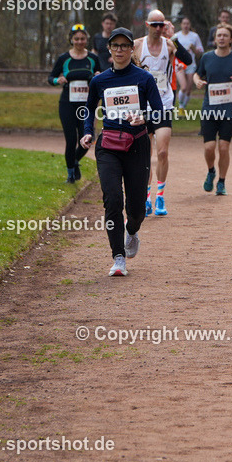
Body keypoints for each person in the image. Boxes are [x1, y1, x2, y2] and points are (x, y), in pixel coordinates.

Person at [80, 27, 165, 277]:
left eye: (124, 46)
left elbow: (159, 112)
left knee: (136, 208)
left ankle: (133, 229)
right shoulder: (99, 81)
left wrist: (144, 118)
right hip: (108, 146)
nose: (119, 50)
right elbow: (88, 110)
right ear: (109, 49)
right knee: (113, 199)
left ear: (131, 49)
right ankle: (118, 257)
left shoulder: (144, 78)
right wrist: (87, 132)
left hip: (137, 145)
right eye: (115, 46)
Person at [133, 10, 193, 216]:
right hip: (142, 107)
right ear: (147, 25)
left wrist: (174, 37)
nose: (158, 29)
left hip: (163, 104)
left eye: (161, 25)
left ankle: (160, 195)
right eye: (154, 25)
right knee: (144, 155)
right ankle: (146, 196)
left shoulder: (170, 45)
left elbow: (188, 60)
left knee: (162, 152)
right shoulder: (137, 45)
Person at [193, 23, 232, 195]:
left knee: (224, 148)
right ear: (214, 39)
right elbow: (198, 73)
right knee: (209, 147)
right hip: (209, 109)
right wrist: (197, 81)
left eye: (225, 35)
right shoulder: (207, 57)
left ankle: (222, 181)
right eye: (219, 35)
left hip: (228, 109)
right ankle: (211, 170)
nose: (221, 38)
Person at [50, 24, 103, 183]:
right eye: (76, 39)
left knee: (87, 138)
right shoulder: (64, 58)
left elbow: (99, 76)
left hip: (86, 104)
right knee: (71, 139)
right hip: (67, 103)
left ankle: (74, 161)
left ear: (86, 39)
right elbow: (50, 78)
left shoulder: (93, 58)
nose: (80, 41)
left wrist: (97, 75)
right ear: (71, 40)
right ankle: (71, 175)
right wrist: (57, 80)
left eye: (83, 39)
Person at [175, 17, 205, 111]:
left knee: (188, 89)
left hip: (191, 64)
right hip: (179, 64)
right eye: (184, 23)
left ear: (190, 25)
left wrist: (194, 49)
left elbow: (200, 52)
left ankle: (183, 107)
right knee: (183, 87)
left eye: (187, 23)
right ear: (181, 25)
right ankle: (180, 107)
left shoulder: (194, 36)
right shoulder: (177, 36)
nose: (186, 25)